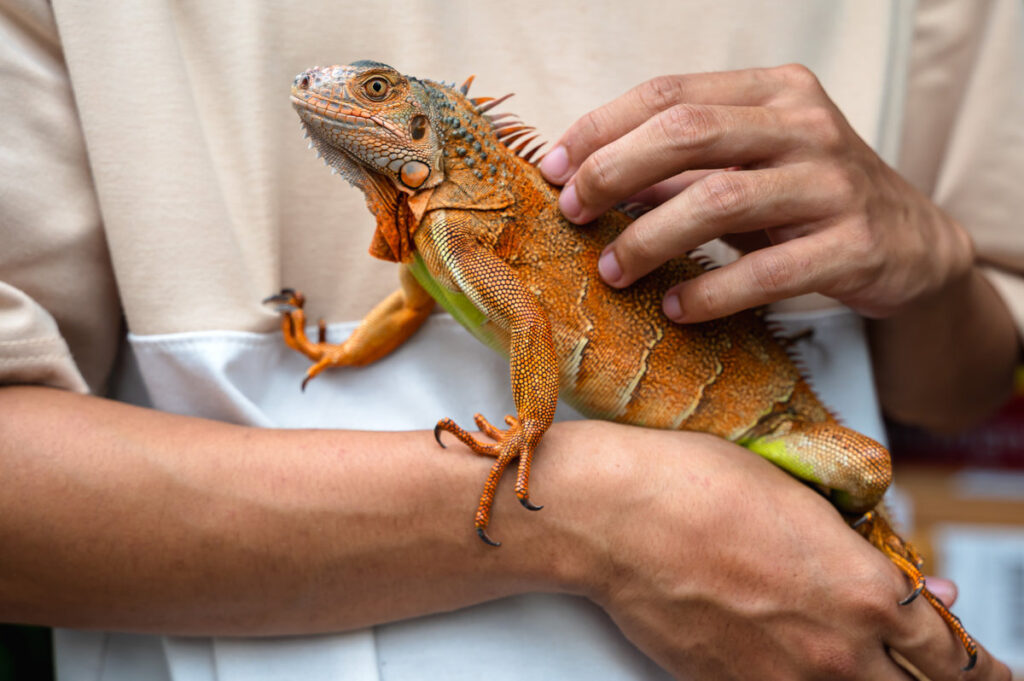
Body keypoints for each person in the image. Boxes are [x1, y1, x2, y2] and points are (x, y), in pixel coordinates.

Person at [0, 1, 1019, 680]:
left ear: (425, 128)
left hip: (814, 576)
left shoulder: (465, 227)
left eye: (373, 92)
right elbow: (417, 306)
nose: (334, 95)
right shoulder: (446, 232)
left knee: (860, 467)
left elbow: (961, 388)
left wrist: (933, 261)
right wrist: (580, 509)